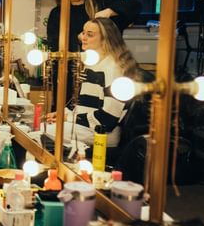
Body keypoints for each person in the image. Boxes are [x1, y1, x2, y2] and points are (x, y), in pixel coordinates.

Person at [45, 18, 139, 148]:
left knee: (44, 132)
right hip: (85, 126)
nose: (84, 37)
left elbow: (108, 118)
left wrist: (69, 118)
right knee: (42, 128)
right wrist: (64, 113)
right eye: (83, 33)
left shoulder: (113, 68)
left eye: (90, 34)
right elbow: (84, 106)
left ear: (106, 39)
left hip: (102, 132)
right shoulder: (93, 64)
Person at [46, 0, 141, 53]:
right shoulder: (57, 14)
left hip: (104, 63)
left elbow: (135, 5)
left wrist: (109, 12)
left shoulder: (101, 5)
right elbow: (54, 45)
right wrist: (77, 39)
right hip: (74, 65)